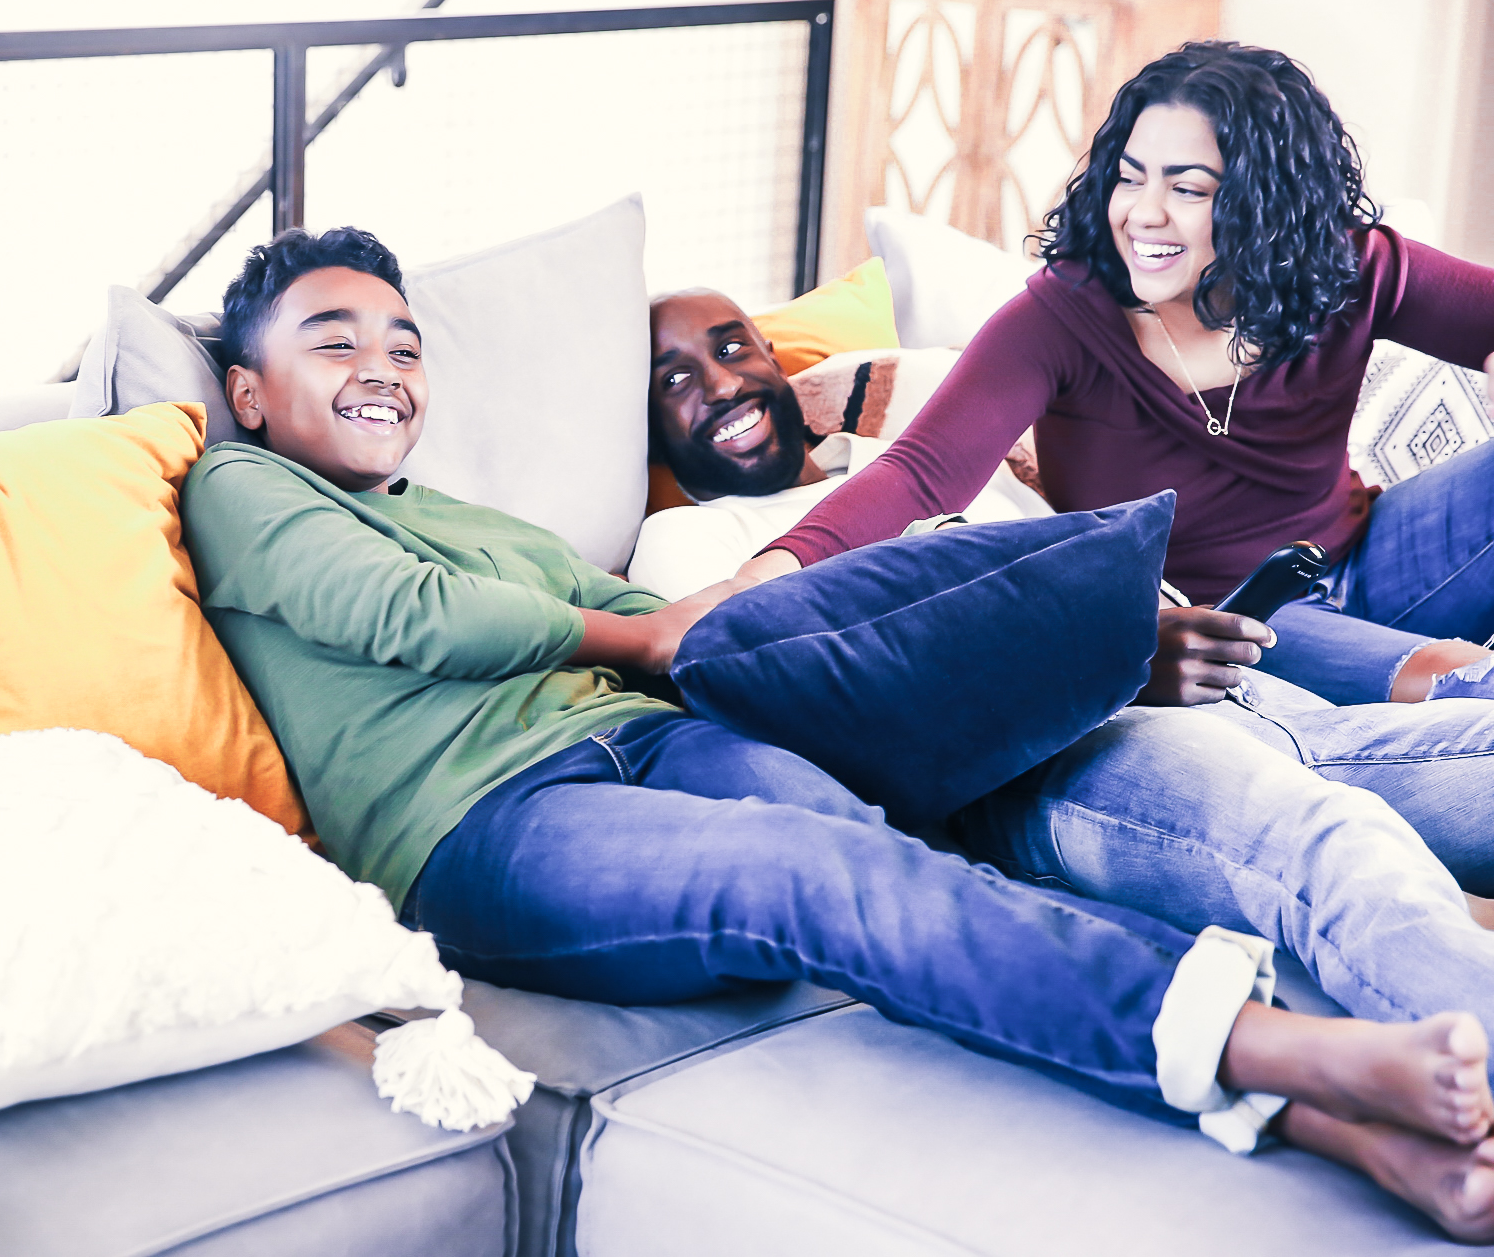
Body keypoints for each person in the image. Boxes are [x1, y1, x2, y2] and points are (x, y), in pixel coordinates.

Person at [181, 224, 1494, 1240]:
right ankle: (1288, 1050)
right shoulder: (239, 486)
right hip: (486, 823)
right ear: (248, 387)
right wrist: (643, 638)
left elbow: (660, 614)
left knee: (901, 873)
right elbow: (415, 614)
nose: (383, 368)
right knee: (810, 879)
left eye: (405, 345)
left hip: (655, 736)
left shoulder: (487, 524)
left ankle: (1336, 1122)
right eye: (335, 338)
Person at [638, 282, 1494, 989]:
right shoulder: (693, 547)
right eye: (673, 381)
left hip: (1221, 681)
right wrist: (1110, 657)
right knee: (1337, 845)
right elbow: (808, 704)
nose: (718, 384)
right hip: (1056, 753)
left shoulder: (912, 460)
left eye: (732, 347)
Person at [752, 42, 1494, 714]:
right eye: (1129, 178)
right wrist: (749, 585)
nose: (1143, 214)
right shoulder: (1062, 318)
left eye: (1188, 188)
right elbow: (919, 475)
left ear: (1266, 206)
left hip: (1377, 552)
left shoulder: (1346, 268)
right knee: (1461, 688)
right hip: (1235, 616)